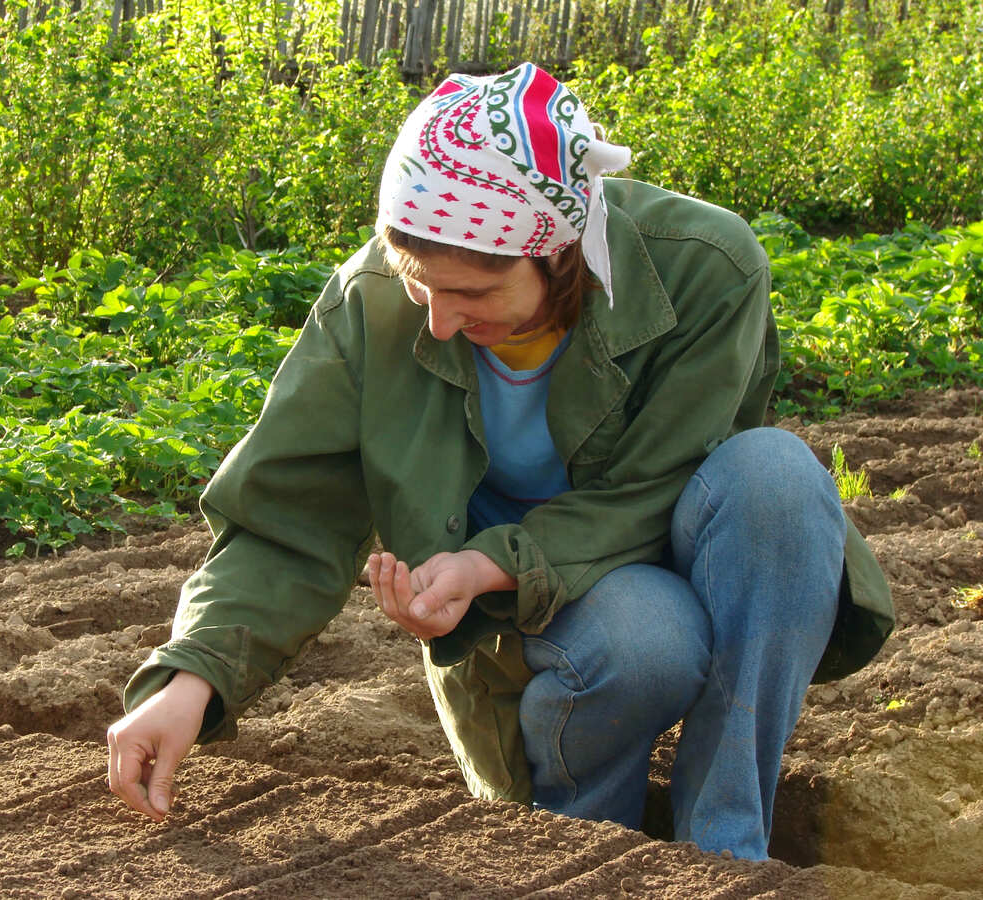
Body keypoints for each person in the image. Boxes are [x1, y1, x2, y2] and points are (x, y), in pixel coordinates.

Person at [106, 62, 894, 860]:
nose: (442, 322)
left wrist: (486, 562)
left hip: (657, 547)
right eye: (421, 285)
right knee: (648, 634)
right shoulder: (369, 303)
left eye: (473, 295)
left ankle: (724, 852)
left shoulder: (705, 268)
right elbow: (286, 516)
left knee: (779, 479)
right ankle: (584, 850)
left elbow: (655, 487)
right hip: (538, 627)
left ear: (557, 254)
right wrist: (190, 680)